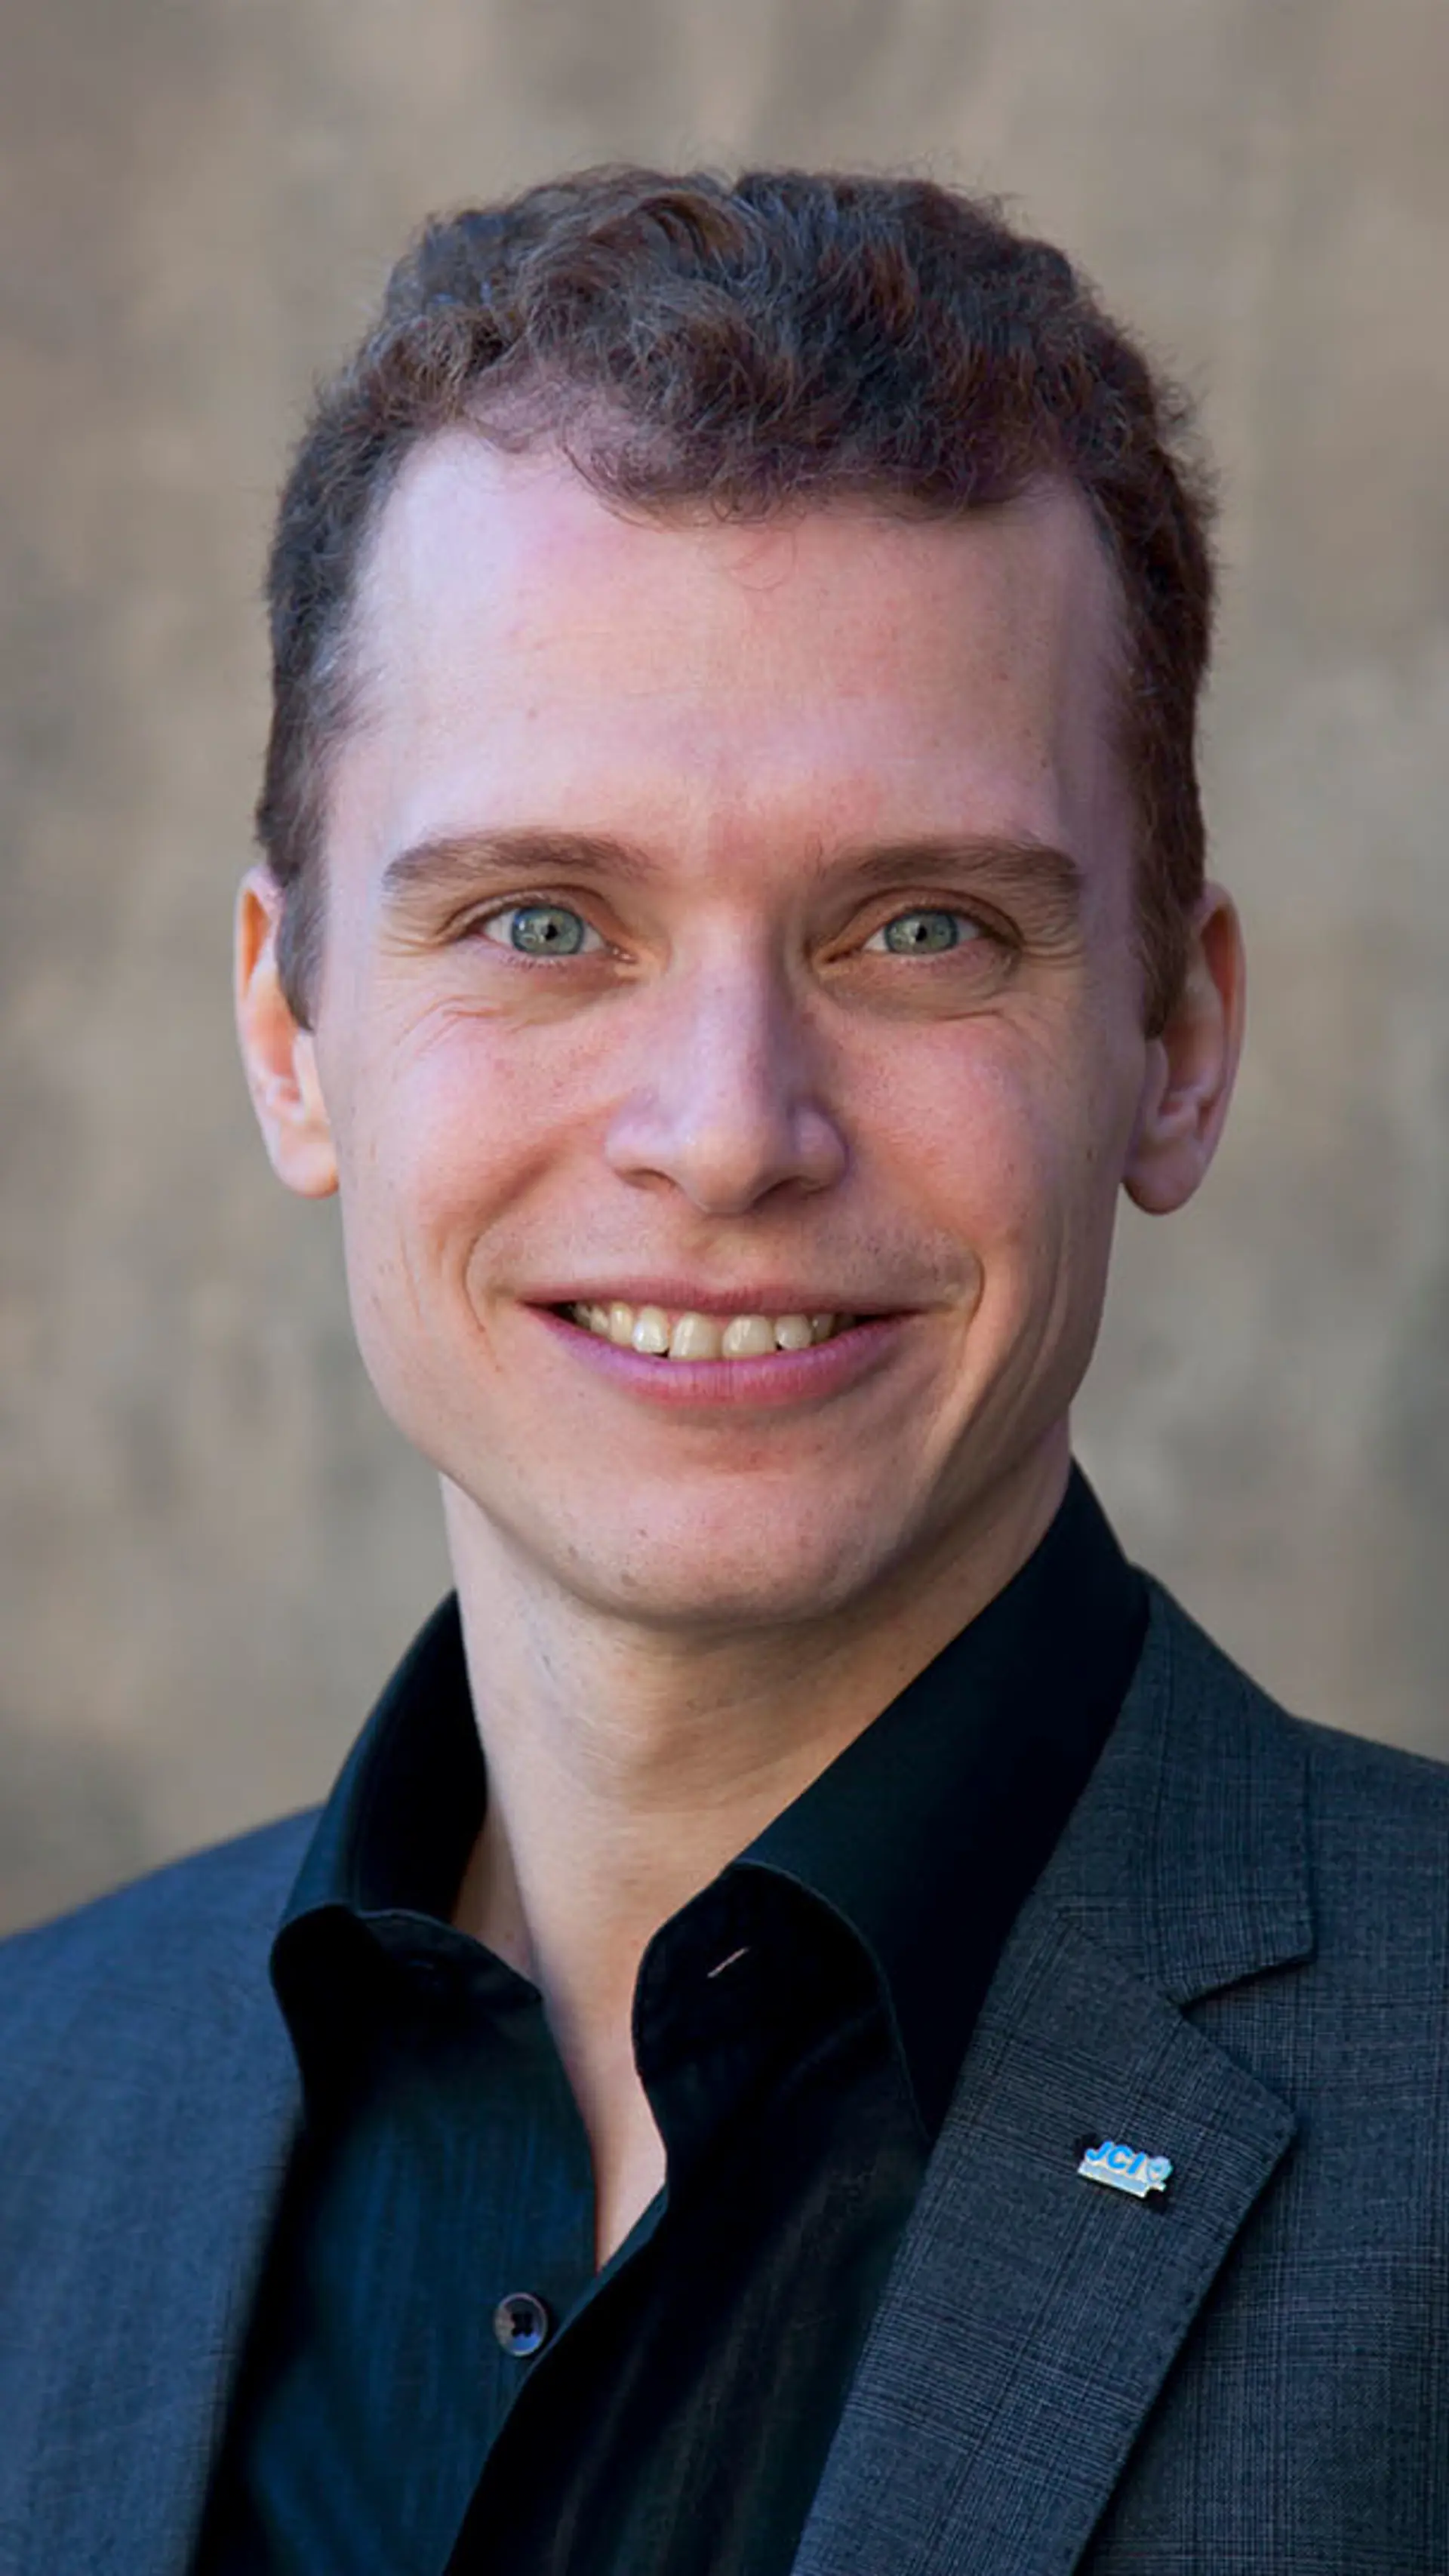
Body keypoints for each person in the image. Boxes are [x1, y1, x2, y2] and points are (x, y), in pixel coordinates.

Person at [1, 165, 1444, 2576]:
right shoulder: (29, 2122)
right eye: (540, 920)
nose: (729, 1130)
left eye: (922, 927)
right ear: (287, 1028)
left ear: (1178, 1044)